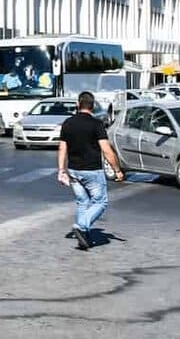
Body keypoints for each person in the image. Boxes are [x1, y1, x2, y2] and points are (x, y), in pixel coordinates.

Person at [57, 91, 124, 251]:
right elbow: (106, 150)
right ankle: (82, 226)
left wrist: (61, 169)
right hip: (92, 170)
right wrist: (117, 170)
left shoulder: (68, 123)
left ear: (77, 105)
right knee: (100, 202)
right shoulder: (96, 124)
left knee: (82, 202)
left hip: (73, 170)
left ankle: (83, 238)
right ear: (92, 106)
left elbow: (62, 148)